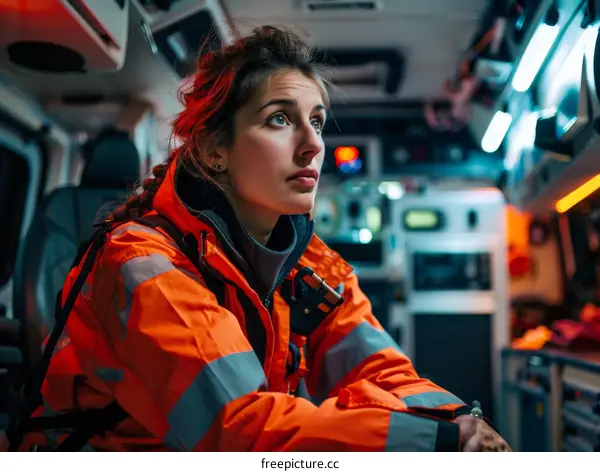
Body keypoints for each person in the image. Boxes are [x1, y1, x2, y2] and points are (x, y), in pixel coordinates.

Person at [12, 25, 510, 452]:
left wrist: (461, 421)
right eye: (280, 118)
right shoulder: (143, 264)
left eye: (316, 120)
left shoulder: (310, 263)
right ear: (214, 151)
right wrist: (436, 442)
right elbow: (242, 432)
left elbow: (382, 370)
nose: (314, 143)